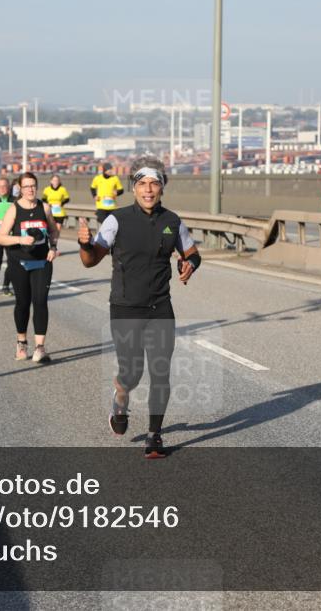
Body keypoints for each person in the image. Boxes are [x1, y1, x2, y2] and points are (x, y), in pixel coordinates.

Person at [78, 157, 200, 459]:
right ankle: (120, 398)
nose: (148, 189)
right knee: (131, 373)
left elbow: (192, 253)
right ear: (134, 188)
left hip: (160, 308)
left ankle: (154, 435)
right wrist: (84, 245)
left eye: (154, 184)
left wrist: (189, 265)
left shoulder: (173, 221)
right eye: (142, 184)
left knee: (160, 372)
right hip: (125, 308)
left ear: (161, 188)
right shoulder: (116, 220)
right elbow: (91, 260)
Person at [0, 172, 60, 363]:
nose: (30, 189)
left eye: (33, 186)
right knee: (23, 303)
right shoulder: (14, 209)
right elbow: (0, 238)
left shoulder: (44, 207)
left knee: (40, 301)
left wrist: (53, 247)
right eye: (26, 186)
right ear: (20, 189)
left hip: (42, 262)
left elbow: (54, 230)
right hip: (19, 263)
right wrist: (20, 239)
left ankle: (40, 348)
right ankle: (21, 342)